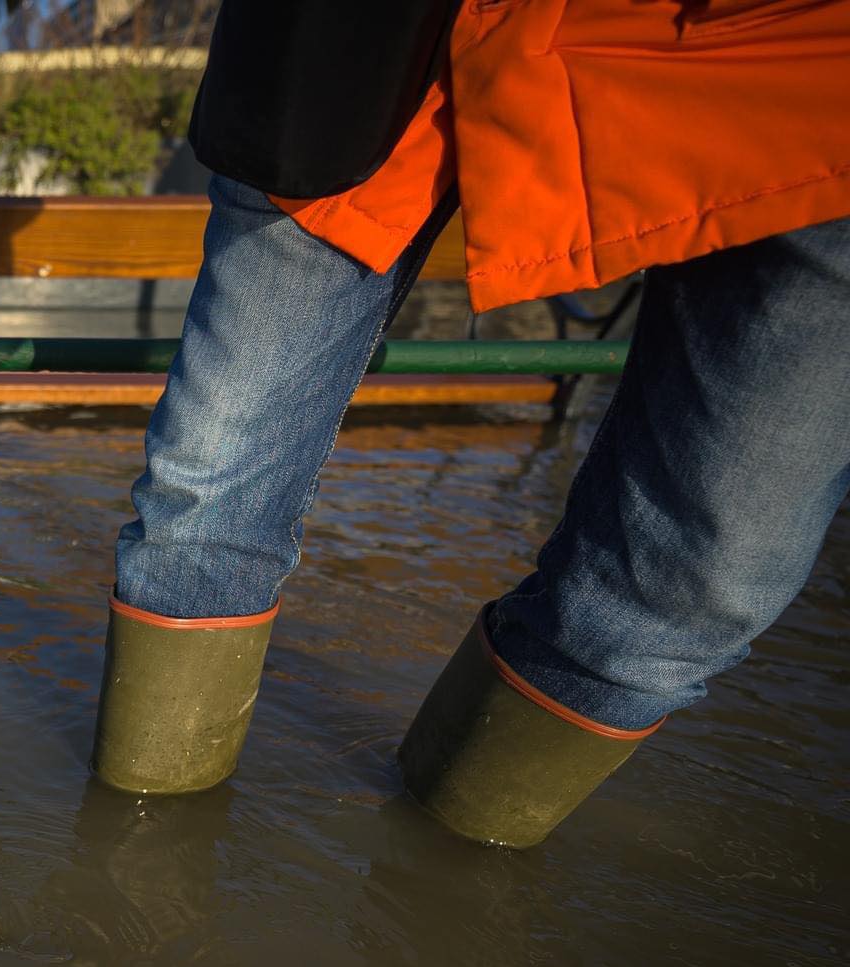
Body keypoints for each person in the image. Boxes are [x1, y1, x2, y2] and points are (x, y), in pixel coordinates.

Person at [92, 0, 850, 847]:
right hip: (369, 54)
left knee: (688, 591)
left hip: (805, 74)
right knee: (204, 489)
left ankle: (436, 887)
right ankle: (139, 857)